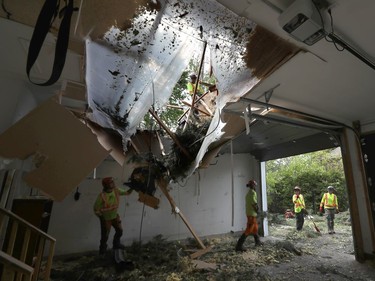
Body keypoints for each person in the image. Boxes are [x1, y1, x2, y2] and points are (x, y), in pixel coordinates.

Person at [94, 177, 133, 255]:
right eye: (111, 183)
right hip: (106, 219)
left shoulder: (116, 191)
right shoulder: (102, 196)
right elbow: (96, 209)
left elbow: (127, 193)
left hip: (114, 216)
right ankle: (102, 252)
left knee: (119, 231)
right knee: (105, 236)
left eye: (113, 182)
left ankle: (116, 244)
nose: (113, 183)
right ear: (106, 185)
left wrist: (133, 187)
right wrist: (102, 218)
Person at [235, 179, 263, 251]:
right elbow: (254, 203)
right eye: (254, 185)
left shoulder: (248, 193)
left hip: (250, 213)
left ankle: (258, 242)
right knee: (249, 230)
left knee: (255, 228)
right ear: (253, 186)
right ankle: (239, 246)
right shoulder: (252, 193)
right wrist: (258, 211)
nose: (255, 187)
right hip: (251, 214)